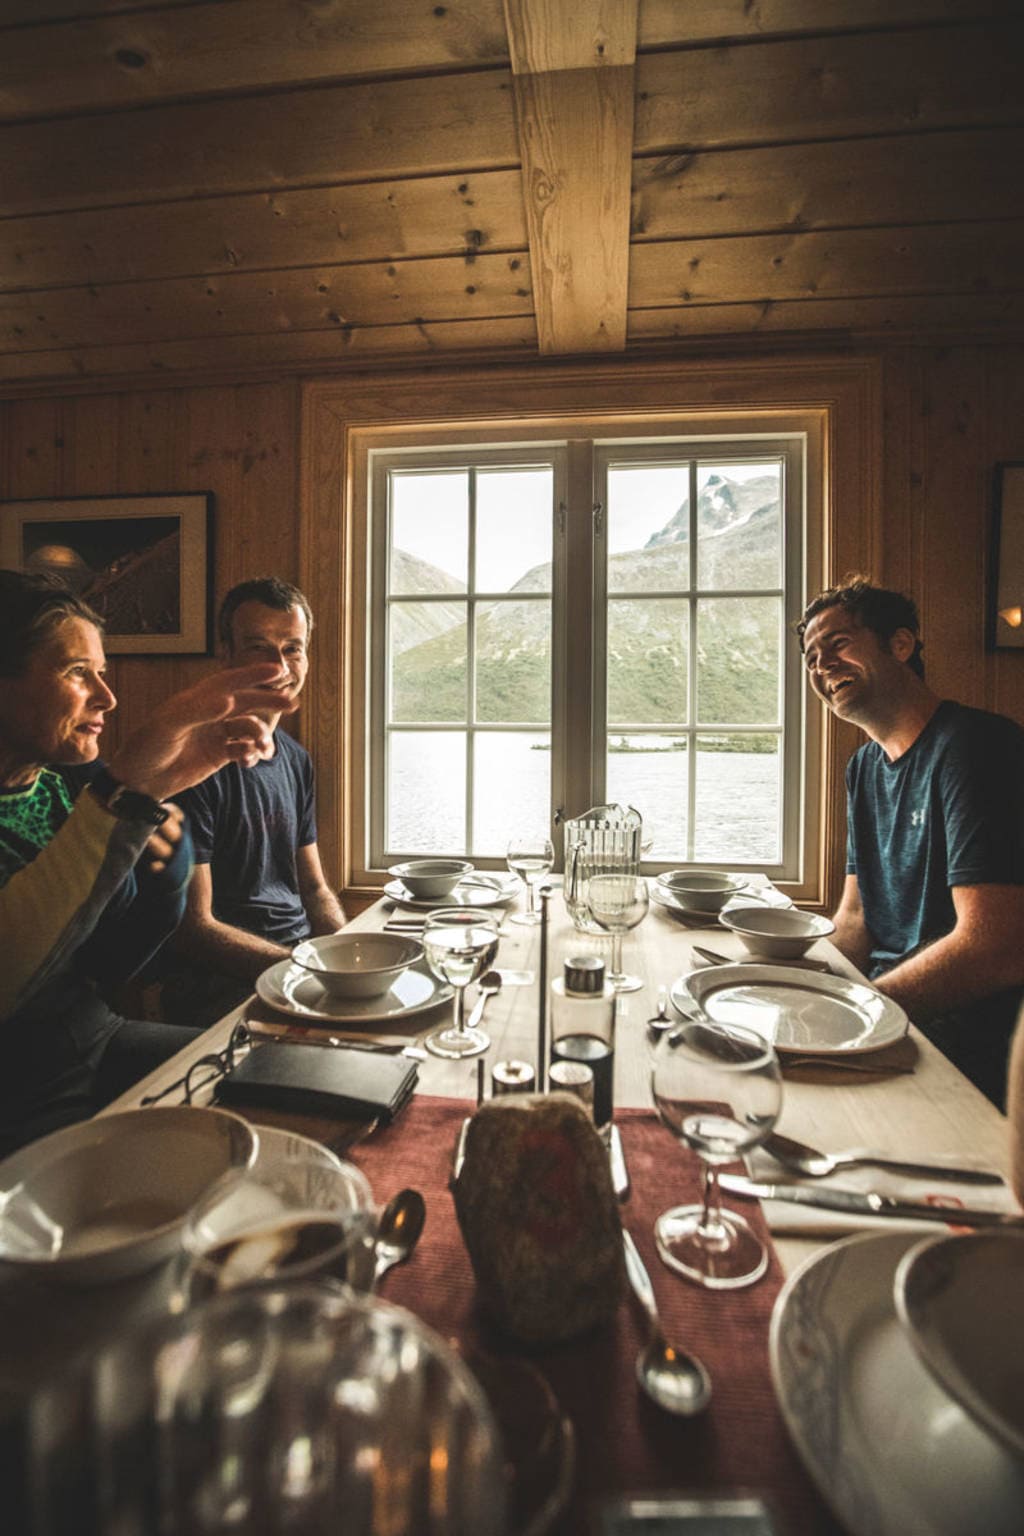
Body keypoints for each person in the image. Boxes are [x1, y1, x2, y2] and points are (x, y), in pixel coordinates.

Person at [0, 569, 296, 1153]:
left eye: (102, 671)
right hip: (19, 1095)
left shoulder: (63, 785)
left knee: (294, 1079)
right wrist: (125, 793)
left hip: (97, 1042)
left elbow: (109, 964)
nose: (106, 697)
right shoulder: (95, 795)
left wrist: (166, 873)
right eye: (76, 671)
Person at [798, 576, 1024, 1106]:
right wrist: (789, 984)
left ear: (900, 644)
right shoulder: (864, 767)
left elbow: (996, 946)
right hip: (892, 1018)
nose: (821, 665)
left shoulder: (977, 747)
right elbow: (855, 921)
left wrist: (860, 1014)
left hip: (962, 1046)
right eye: (810, 657)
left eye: (837, 643)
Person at [161, 578, 346, 1026]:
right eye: (259, 648)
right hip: (223, 989)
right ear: (226, 654)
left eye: (293, 648)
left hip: (300, 968)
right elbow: (195, 928)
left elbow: (314, 889)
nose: (279, 666)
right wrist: (306, 972)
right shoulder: (192, 765)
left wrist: (347, 956)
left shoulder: (296, 759)